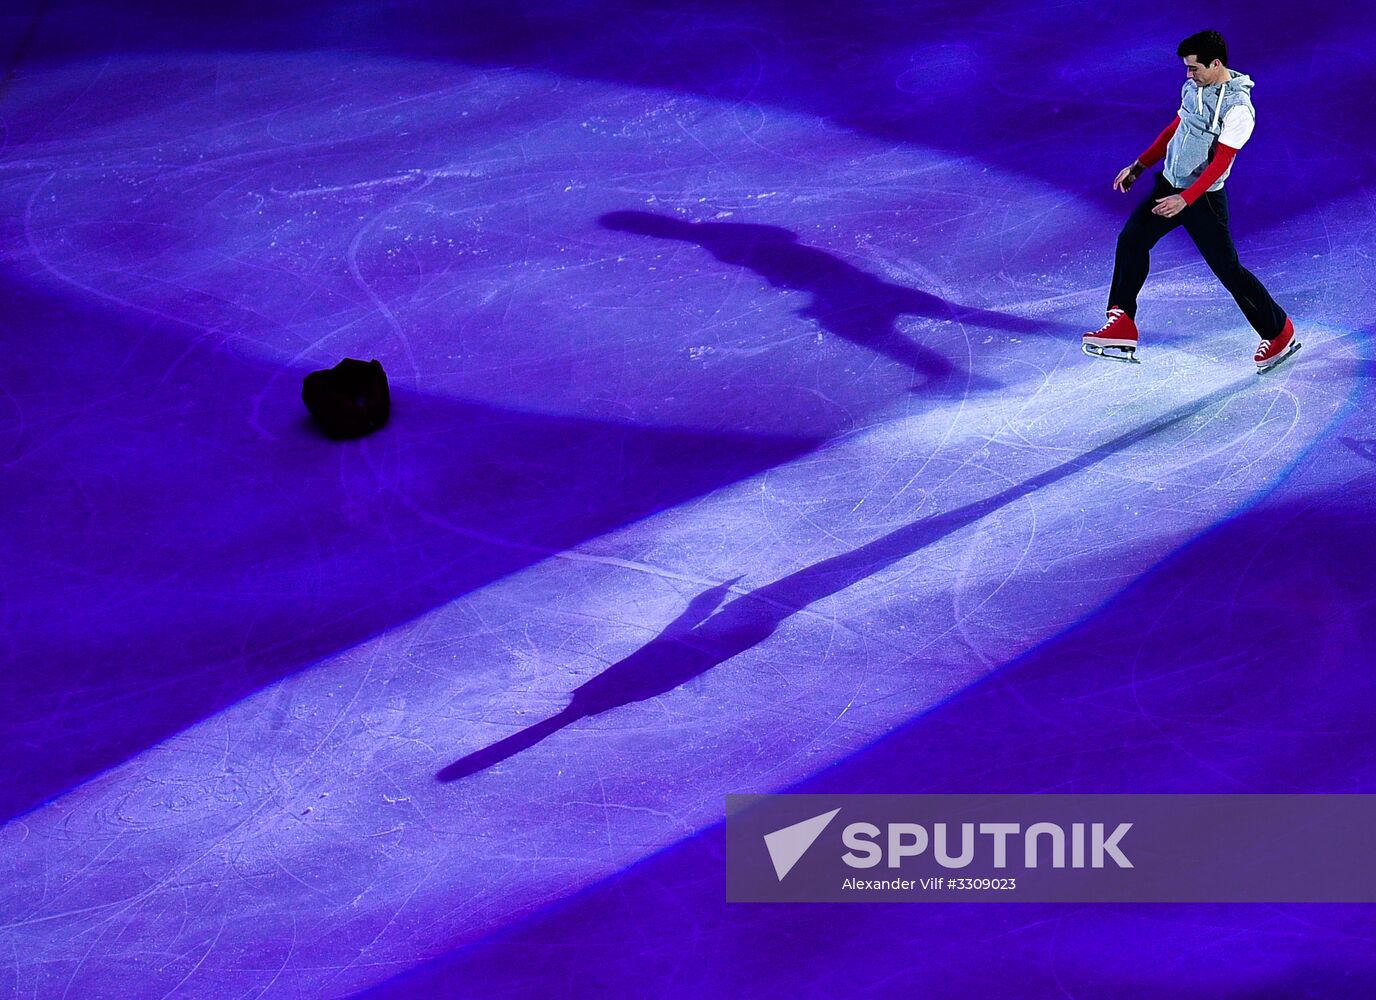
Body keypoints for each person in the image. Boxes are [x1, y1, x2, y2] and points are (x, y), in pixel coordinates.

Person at [1082, 30, 1299, 373]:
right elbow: (1175, 129)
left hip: (1203, 199)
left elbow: (1221, 163)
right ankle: (1122, 320)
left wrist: (1186, 199)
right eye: (1186, 68)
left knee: (1228, 271)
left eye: (1194, 68)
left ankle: (1278, 331)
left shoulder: (1239, 109)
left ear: (1216, 64)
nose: (1188, 74)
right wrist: (1140, 165)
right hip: (1169, 186)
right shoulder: (1193, 88)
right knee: (1132, 240)